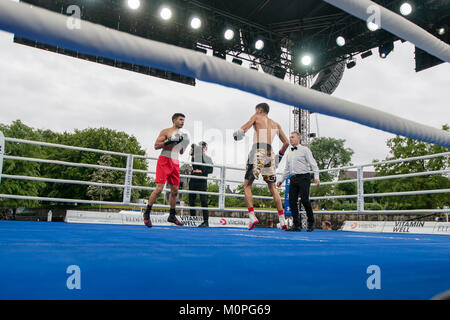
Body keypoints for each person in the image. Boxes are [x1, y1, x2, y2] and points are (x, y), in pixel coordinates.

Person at [233, 102, 289, 230]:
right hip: (270, 153)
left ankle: (252, 216)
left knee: (247, 185)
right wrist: (279, 157)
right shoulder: (276, 124)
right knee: (272, 187)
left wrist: (237, 134)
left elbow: (245, 128)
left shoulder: (257, 116)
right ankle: (282, 220)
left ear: (259, 110)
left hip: (258, 150)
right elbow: (286, 143)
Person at [143, 113, 189, 227]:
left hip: (175, 161)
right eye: (180, 119)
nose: (183, 122)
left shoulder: (183, 134)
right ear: (174, 120)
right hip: (164, 160)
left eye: (184, 120)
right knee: (159, 189)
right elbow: (156, 146)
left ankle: (172, 215)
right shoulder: (166, 131)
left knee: (175, 191)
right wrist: (169, 141)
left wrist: (184, 143)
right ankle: (147, 213)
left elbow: (181, 151)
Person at [277, 131, 320, 232]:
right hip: (293, 178)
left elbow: (313, 164)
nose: (290, 139)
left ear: (298, 139)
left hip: (304, 177)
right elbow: (287, 169)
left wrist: (316, 177)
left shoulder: (305, 150)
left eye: (292, 137)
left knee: (305, 200)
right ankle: (297, 225)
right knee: (292, 201)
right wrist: (281, 181)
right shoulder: (289, 153)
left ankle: (311, 221)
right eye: (290, 137)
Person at [189, 141, 214, 227]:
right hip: (193, 179)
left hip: (202, 181)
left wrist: (202, 171)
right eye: (201, 147)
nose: (202, 148)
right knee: (191, 200)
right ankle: (192, 219)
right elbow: (191, 154)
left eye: (203, 147)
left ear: (205, 148)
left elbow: (211, 170)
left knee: (203, 201)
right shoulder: (195, 157)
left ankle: (206, 221)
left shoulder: (208, 158)